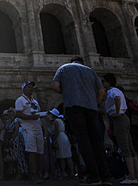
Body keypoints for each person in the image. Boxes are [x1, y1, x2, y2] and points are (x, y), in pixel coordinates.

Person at [50, 57, 107, 186]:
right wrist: (94, 104)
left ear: (72, 62)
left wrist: (67, 92)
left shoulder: (64, 68)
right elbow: (102, 92)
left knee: (83, 141)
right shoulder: (90, 70)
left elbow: (55, 86)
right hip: (92, 109)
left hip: (74, 107)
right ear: (83, 63)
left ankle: (93, 177)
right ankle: (106, 177)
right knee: (97, 142)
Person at [101, 74, 138, 184]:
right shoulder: (117, 90)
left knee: (125, 148)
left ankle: (132, 177)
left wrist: (117, 112)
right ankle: (137, 175)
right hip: (124, 118)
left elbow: (117, 99)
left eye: (103, 81)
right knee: (131, 148)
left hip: (119, 119)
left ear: (108, 82)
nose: (102, 83)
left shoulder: (112, 91)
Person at [15, 81, 45, 184]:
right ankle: (34, 174)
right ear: (23, 89)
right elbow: (18, 114)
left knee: (39, 151)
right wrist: (31, 117)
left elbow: (38, 113)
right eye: (28, 87)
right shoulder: (20, 100)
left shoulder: (35, 101)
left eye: (32, 87)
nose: (31, 89)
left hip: (37, 127)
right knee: (32, 151)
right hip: (28, 128)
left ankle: (39, 172)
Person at [49, 109, 74, 178]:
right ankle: (72, 172)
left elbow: (56, 131)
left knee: (61, 157)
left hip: (60, 138)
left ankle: (63, 173)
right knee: (68, 156)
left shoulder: (56, 122)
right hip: (64, 137)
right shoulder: (61, 121)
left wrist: (54, 139)